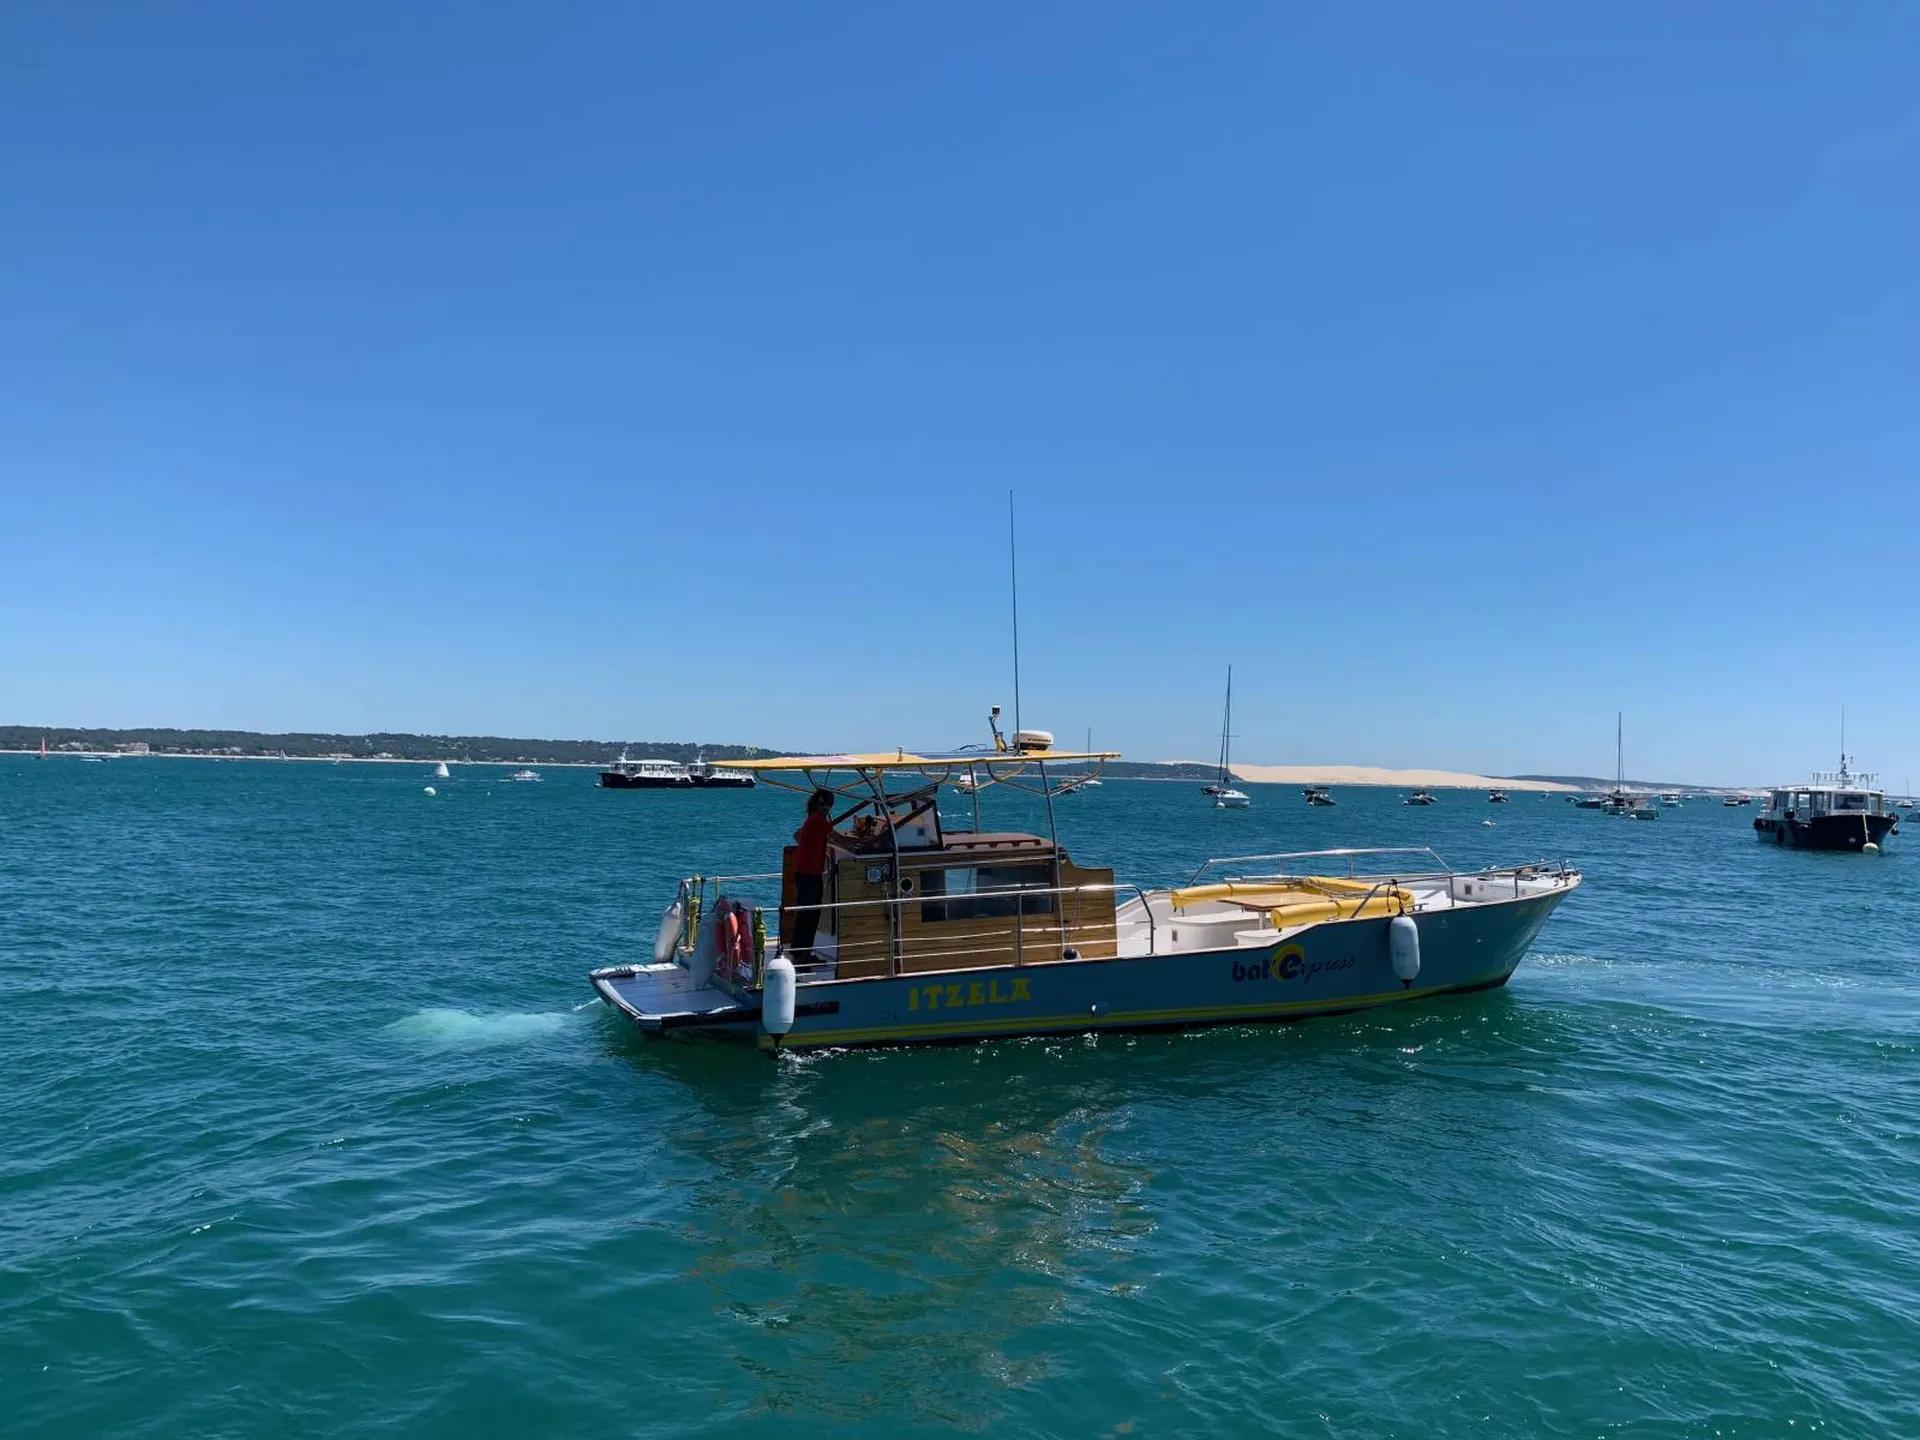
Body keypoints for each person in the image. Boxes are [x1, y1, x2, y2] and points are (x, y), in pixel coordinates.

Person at [789, 788, 836, 961]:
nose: (826, 808)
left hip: (804, 872)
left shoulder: (811, 819)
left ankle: (798, 950)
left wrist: (811, 847)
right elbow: (836, 836)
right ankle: (803, 954)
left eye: (829, 804)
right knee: (810, 914)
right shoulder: (818, 821)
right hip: (810, 873)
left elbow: (797, 835)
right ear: (816, 804)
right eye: (823, 804)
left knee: (806, 913)